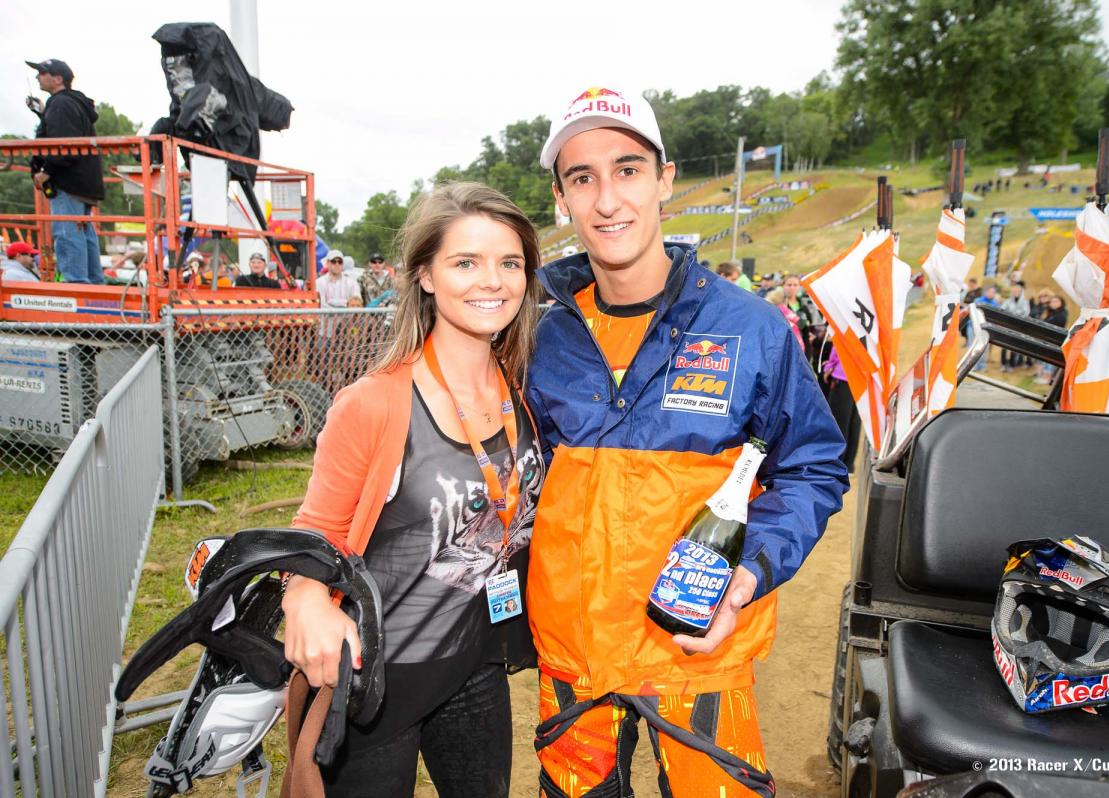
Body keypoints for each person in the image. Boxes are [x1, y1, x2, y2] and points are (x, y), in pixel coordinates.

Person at [526, 86, 848, 797]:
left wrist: (748, 575)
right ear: (562, 200)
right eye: (583, 178)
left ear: (666, 180)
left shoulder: (754, 328)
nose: (607, 199)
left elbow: (815, 469)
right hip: (575, 659)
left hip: (698, 648)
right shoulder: (539, 339)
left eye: (628, 169)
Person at [284, 182, 544, 797]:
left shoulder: (524, 388)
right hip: (379, 674)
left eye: (510, 263)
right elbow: (315, 532)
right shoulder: (373, 404)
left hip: (478, 662)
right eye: (465, 262)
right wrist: (304, 599)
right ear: (425, 274)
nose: (493, 281)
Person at [26, 59, 105, 285]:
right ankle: (93, 285)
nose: (38, 77)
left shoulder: (60, 104)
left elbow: (65, 145)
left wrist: (45, 172)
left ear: (58, 78)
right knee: (82, 232)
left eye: (42, 72)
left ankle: (76, 287)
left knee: (67, 233)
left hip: (69, 181)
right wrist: (43, 114)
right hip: (83, 181)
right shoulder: (72, 103)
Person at [1000, 282, 1030, 372]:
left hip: (1017, 327)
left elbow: (1026, 313)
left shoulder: (1025, 302)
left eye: (1018, 291)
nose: (1016, 292)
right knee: (1004, 346)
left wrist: (1014, 315)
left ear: (1021, 292)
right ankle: (1003, 364)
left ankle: (1012, 365)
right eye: (1014, 290)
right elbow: (1002, 310)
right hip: (1007, 326)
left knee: (1013, 346)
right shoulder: (1007, 301)